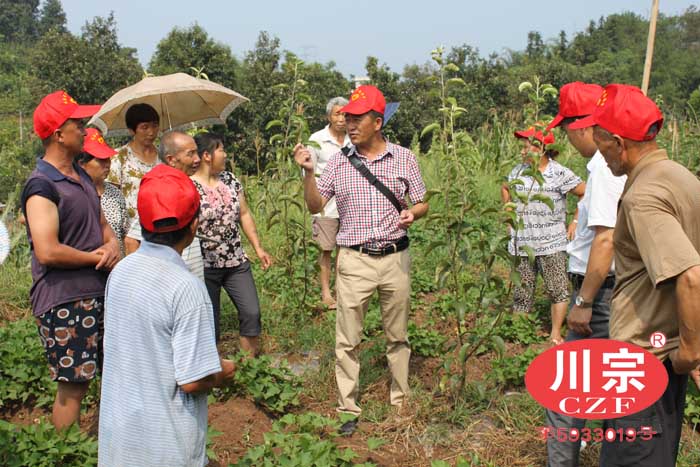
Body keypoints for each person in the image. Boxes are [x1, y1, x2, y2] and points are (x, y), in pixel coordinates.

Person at [570, 83, 700, 466]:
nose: (600, 153)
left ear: (618, 142)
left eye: (601, 145)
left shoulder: (642, 197)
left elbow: (690, 276)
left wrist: (690, 352)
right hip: (661, 360)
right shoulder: (680, 176)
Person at [293, 85, 428, 435]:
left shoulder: (404, 158)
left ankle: (401, 402)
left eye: (357, 119)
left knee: (397, 336)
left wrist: (413, 213)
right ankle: (347, 408)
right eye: (347, 118)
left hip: (395, 258)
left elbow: (422, 201)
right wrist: (308, 173)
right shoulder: (339, 161)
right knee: (347, 340)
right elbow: (315, 205)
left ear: (377, 122)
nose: (349, 124)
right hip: (354, 261)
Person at [99, 164, 235, 467]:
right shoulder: (186, 288)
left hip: (119, 443)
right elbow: (193, 380)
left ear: (142, 223)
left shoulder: (121, 272)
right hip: (165, 449)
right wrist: (222, 372)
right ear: (194, 225)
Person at [21, 91, 120, 430]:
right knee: (74, 386)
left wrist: (111, 245)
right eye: (76, 124)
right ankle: (62, 452)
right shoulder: (42, 185)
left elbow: (102, 224)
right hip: (65, 298)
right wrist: (95, 257)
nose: (83, 129)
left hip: (98, 291)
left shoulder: (81, 176)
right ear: (58, 135)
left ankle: (105, 444)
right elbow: (47, 250)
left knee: (113, 374)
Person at [543, 81, 627, 467]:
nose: (567, 138)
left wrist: (584, 300)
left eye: (566, 129)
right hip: (609, 293)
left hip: (601, 295)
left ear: (581, 127)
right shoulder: (607, 167)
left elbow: (606, 240)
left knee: (565, 394)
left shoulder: (606, 170)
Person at [501, 127, 585, 345]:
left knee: (558, 289)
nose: (522, 150)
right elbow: (505, 187)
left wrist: (575, 222)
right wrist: (509, 216)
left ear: (541, 148)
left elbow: (584, 192)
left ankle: (555, 333)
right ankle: (520, 335)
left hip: (551, 243)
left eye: (526, 146)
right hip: (522, 243)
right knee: (522, 291)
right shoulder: (518, 171)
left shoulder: (558, 173)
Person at [191, 133, 272, 353]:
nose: (225, 154)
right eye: (221, 150)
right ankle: (213, 369)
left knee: (251, 313)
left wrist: (258, 248)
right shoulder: (189, 186)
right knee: (210, 323)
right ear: (207, 155)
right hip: (204, 265)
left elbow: (244, 214)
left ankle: (250, 366)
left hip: (236, 261)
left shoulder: (229, 179)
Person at [124, 130, 205, 280]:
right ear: (171, 159)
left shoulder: (187, 184)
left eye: (197, 152)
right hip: (171, 279)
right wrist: (139, 278)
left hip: (190, 276)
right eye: (191, 154)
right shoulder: (162, 192)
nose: (197, 159)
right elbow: (131, 241)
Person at [308, 97, 350, 308]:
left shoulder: (354, 138)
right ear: (329, 116)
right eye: (337, 114)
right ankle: (326, 293)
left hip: (350, 206)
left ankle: (342, 290)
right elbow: (308, 174)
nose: (341, 119)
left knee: (346, 250)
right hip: (326, 207)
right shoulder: (317, 140)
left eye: (345, 114)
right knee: (326, 250)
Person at [106, 103, 160, 254]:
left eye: (155, 126)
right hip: (131, 237)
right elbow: (110, 199)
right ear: (132, 130)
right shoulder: (118, 158)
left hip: (161, 232)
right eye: (144, 127)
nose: (151, 132)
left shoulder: (164, 157)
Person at [76, 128, 129, 257]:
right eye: (100, 160)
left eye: (108, 159)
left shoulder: (115, 193)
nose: (107, 164)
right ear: (82, 164)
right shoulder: (74, 194)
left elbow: (125, 235)